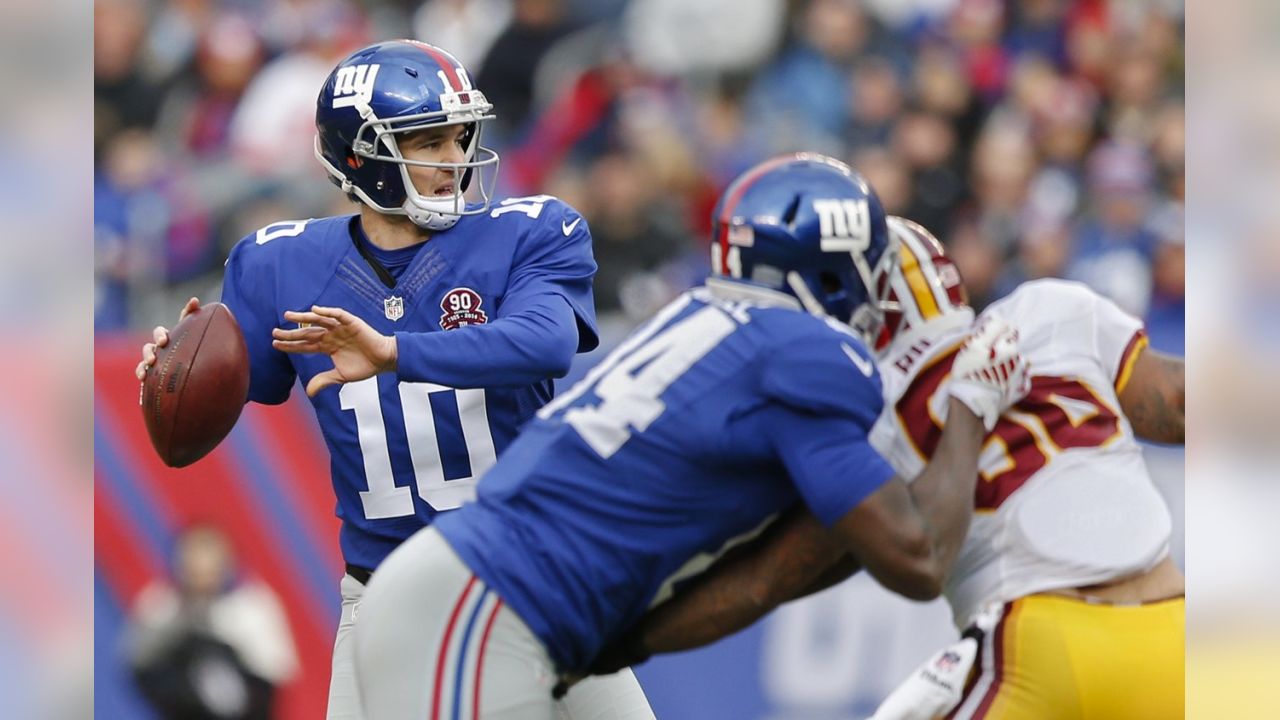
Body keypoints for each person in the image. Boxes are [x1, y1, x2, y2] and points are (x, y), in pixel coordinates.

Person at [337, 154, 1032, 719]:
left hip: (527, 613)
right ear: (836, 269)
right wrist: (970, 403)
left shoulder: (720, 324)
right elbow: (917, 557)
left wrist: (629, 639)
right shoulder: (808, 354)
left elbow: (769, 575)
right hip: (482, 607)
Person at [135, 39, 654, 719]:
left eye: (459, 136)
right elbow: (219, 407)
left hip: (536, 570)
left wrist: (395, 354)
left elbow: (547, 342)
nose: (454, 161)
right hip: (389, 593)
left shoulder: (529, 231)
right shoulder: (276, 264)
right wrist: (173, 371)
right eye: (428, 141)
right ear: (361, 157)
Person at [583, 216, 1185, 720]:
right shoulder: (1051, 310)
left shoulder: (859, 413)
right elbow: (1179, 408)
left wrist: (626, 641)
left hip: (1039, 644)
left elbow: (770, 578)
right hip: (1177, 630)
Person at [128, 524, 298, 720]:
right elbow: (139, 665)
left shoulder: (253, 606)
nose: (200, 566)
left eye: (209, 555)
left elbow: (273, 677)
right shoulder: (161, 604)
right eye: (192, 555)